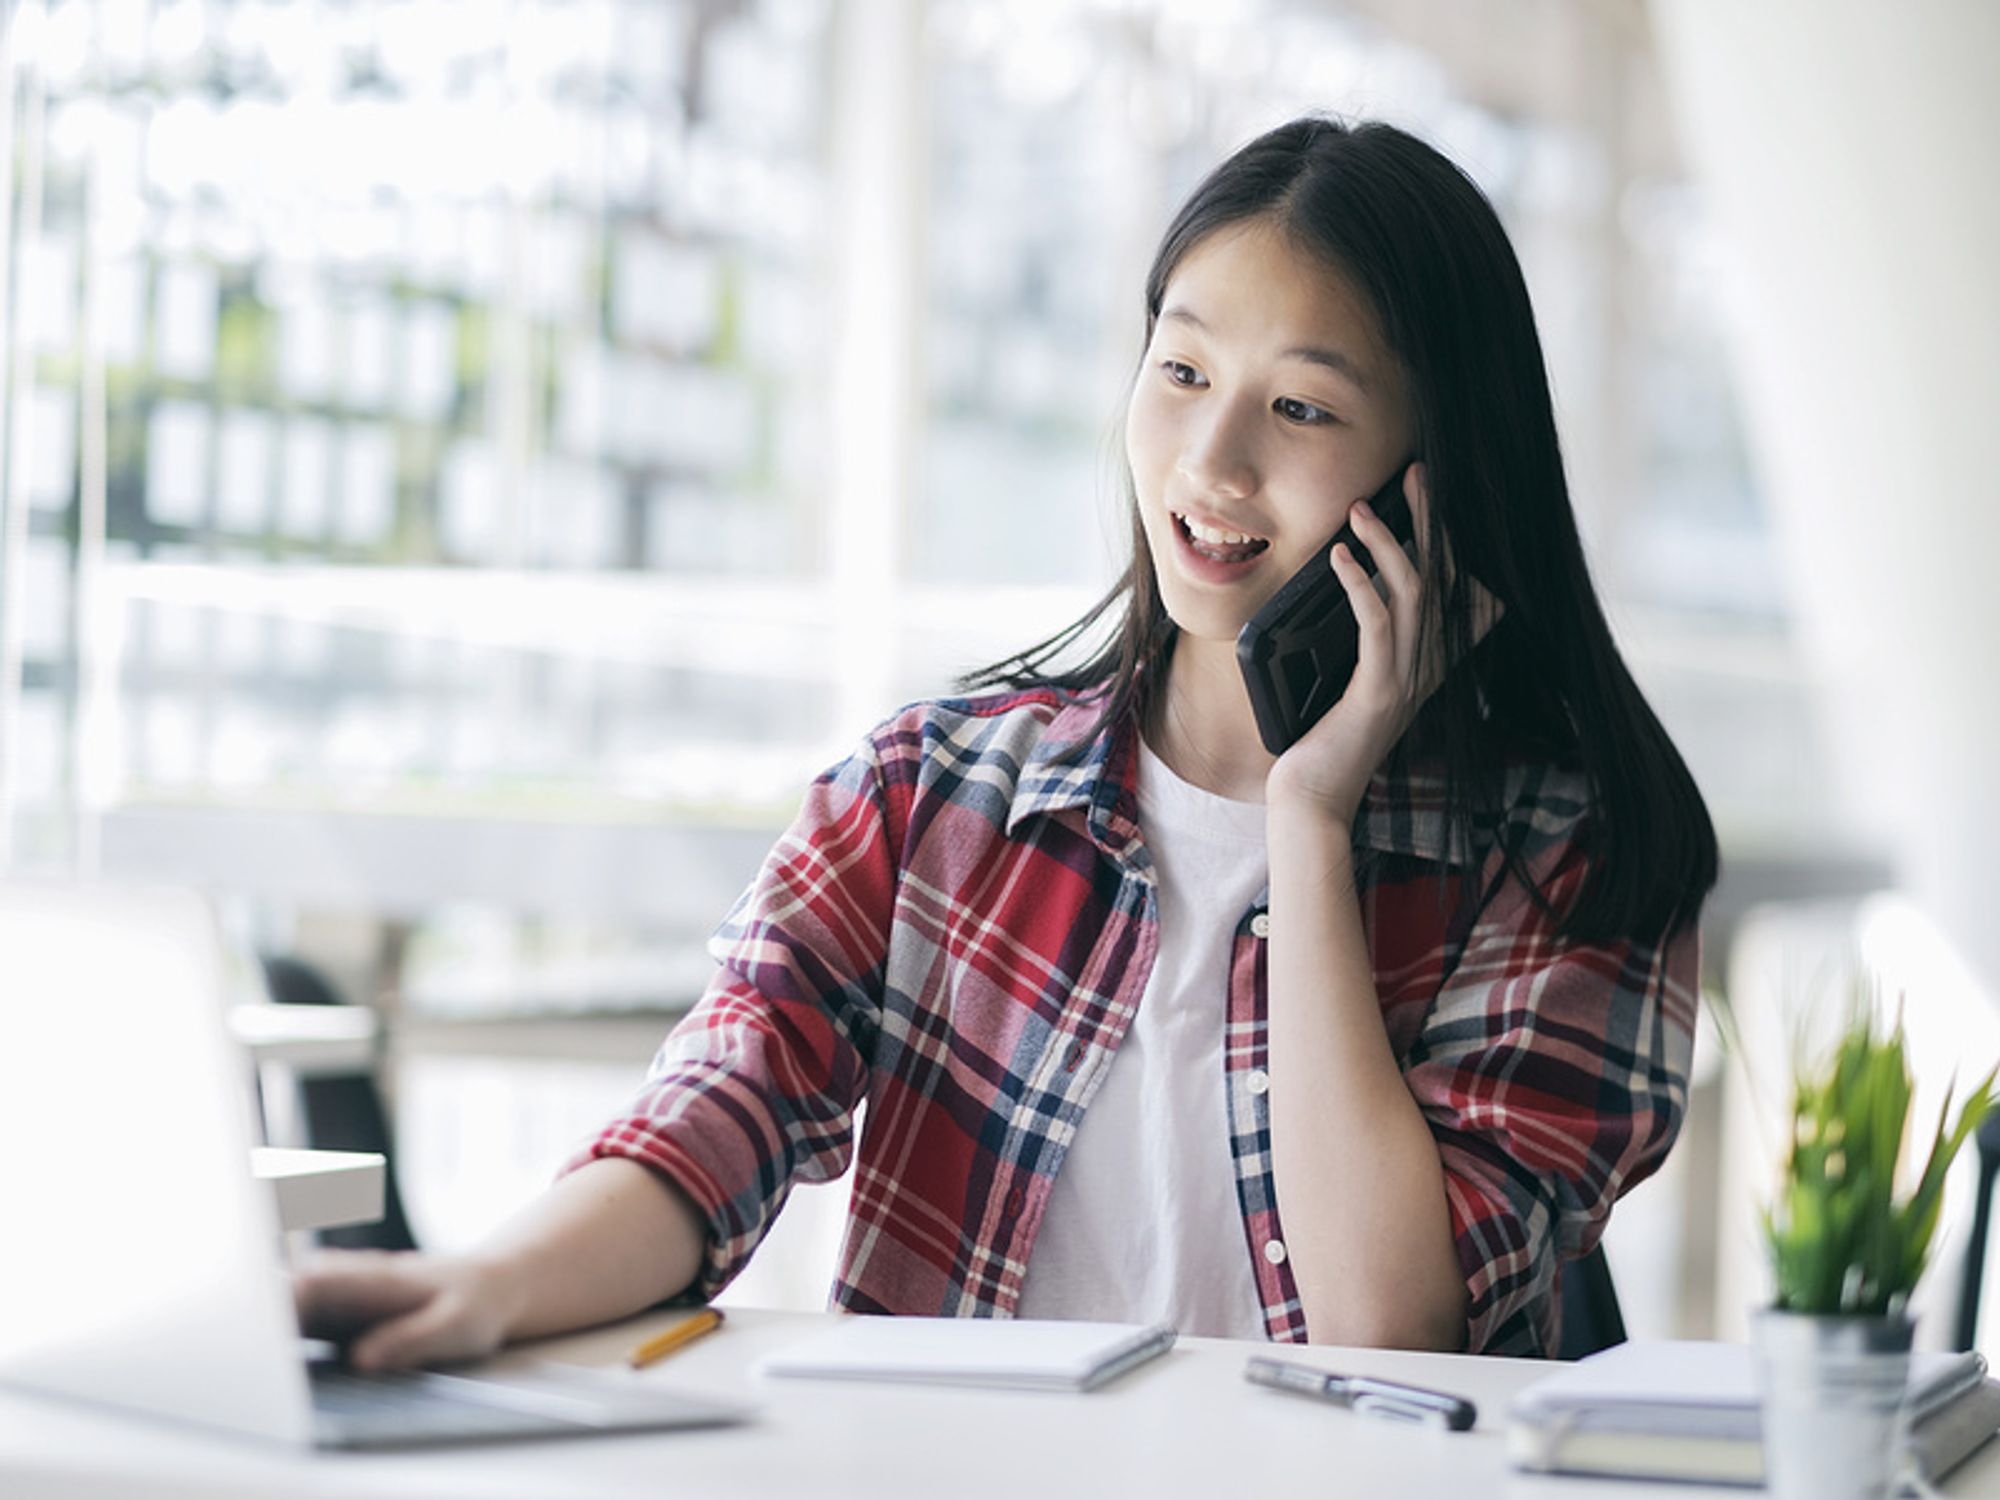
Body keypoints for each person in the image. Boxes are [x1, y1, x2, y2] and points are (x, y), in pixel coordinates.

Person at [295, 115, 1717, 1368]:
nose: (1211, 464)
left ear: (1437, 476)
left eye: (1301, 407)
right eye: (1180, 374)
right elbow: (718, 1113)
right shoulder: (935, 794)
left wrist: (1312, 820)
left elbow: (1388, 1326)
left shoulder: (1578, 860)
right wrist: (482, 1287)